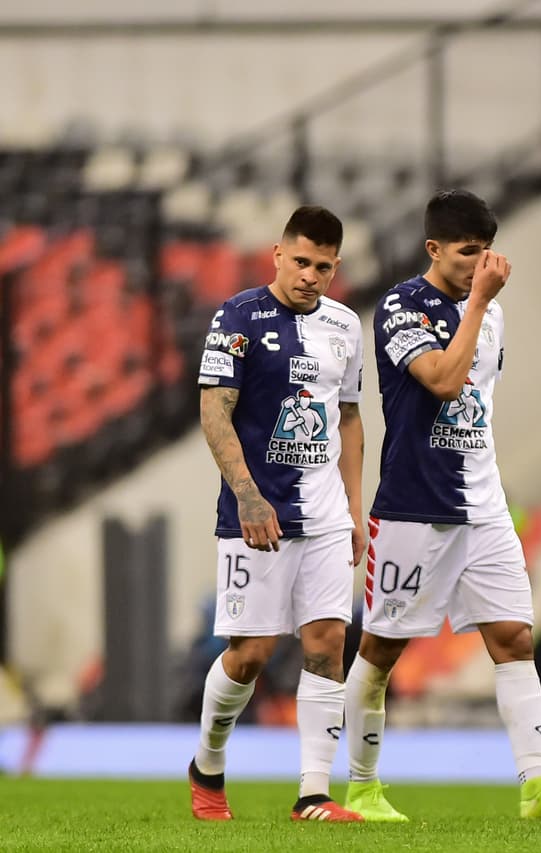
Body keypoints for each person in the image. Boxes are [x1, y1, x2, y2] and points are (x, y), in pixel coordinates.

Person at [342, 190, 541, 822]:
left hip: (485, 504)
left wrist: (478, 307)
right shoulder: (400, 307)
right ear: (433, 249)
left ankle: (536, 784)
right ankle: (361, 787)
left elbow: (476, 402)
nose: (479, 264)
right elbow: (443, 380)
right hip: (417, 506)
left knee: (515, 638)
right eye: (466, 252)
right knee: (382, 649)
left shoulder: (490, 314)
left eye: (486, 252)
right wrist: (477, 303)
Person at [189, 205, 365, 823]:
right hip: (255, 514)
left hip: (323, 515)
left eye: (323, 266)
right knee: (252, 653)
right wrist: (247, 494)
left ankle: (313, 795)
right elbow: (215, 411)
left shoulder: (346, 326)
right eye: (300, 262)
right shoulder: (237, 318)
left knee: (326, 644)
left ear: (335, 267)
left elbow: (347, 418)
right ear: (277, 255)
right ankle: (207, 763)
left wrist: (353, 508)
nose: (310, 275)